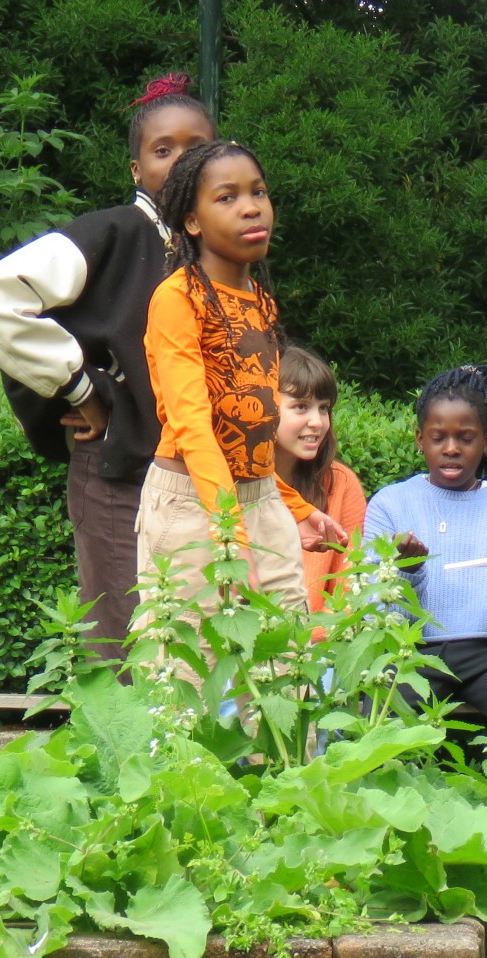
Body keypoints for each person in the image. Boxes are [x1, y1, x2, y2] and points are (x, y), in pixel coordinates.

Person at [0, 73, 216, 659]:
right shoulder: (116, 232)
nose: (179, 162)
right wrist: (79, 388)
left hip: (199, 480)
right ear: (135, 169)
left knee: (199, 658)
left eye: (194, 148)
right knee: (129, 657)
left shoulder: (213, 249)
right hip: (119, 475)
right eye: (161, 149)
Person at [140, 140, 344, 619]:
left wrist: (294, 506)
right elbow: (194, 427)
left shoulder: (261, 301)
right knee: (186, 682)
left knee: (285, 673)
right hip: (193, 509)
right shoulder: (177, 298)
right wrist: (231, 536)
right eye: (226, 197)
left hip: (263, 501)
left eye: (259, 192)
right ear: (192, 221)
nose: (251, 208)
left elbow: (248, 435)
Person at [361, 364, 487, 807]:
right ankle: (397, 824)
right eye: (438, 437)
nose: (451, 449)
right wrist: (407, 572)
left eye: (466, 438)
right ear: (420, 440)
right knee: (383, 695)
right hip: (412, 649)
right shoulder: (390, 505)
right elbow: (375, 615)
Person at [273, 346, 368, 611]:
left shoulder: (340, 482)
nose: (317, 422)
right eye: (300, 406)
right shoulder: (238, 482)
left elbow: (351, 580)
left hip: (320, 643)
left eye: (324, 408)